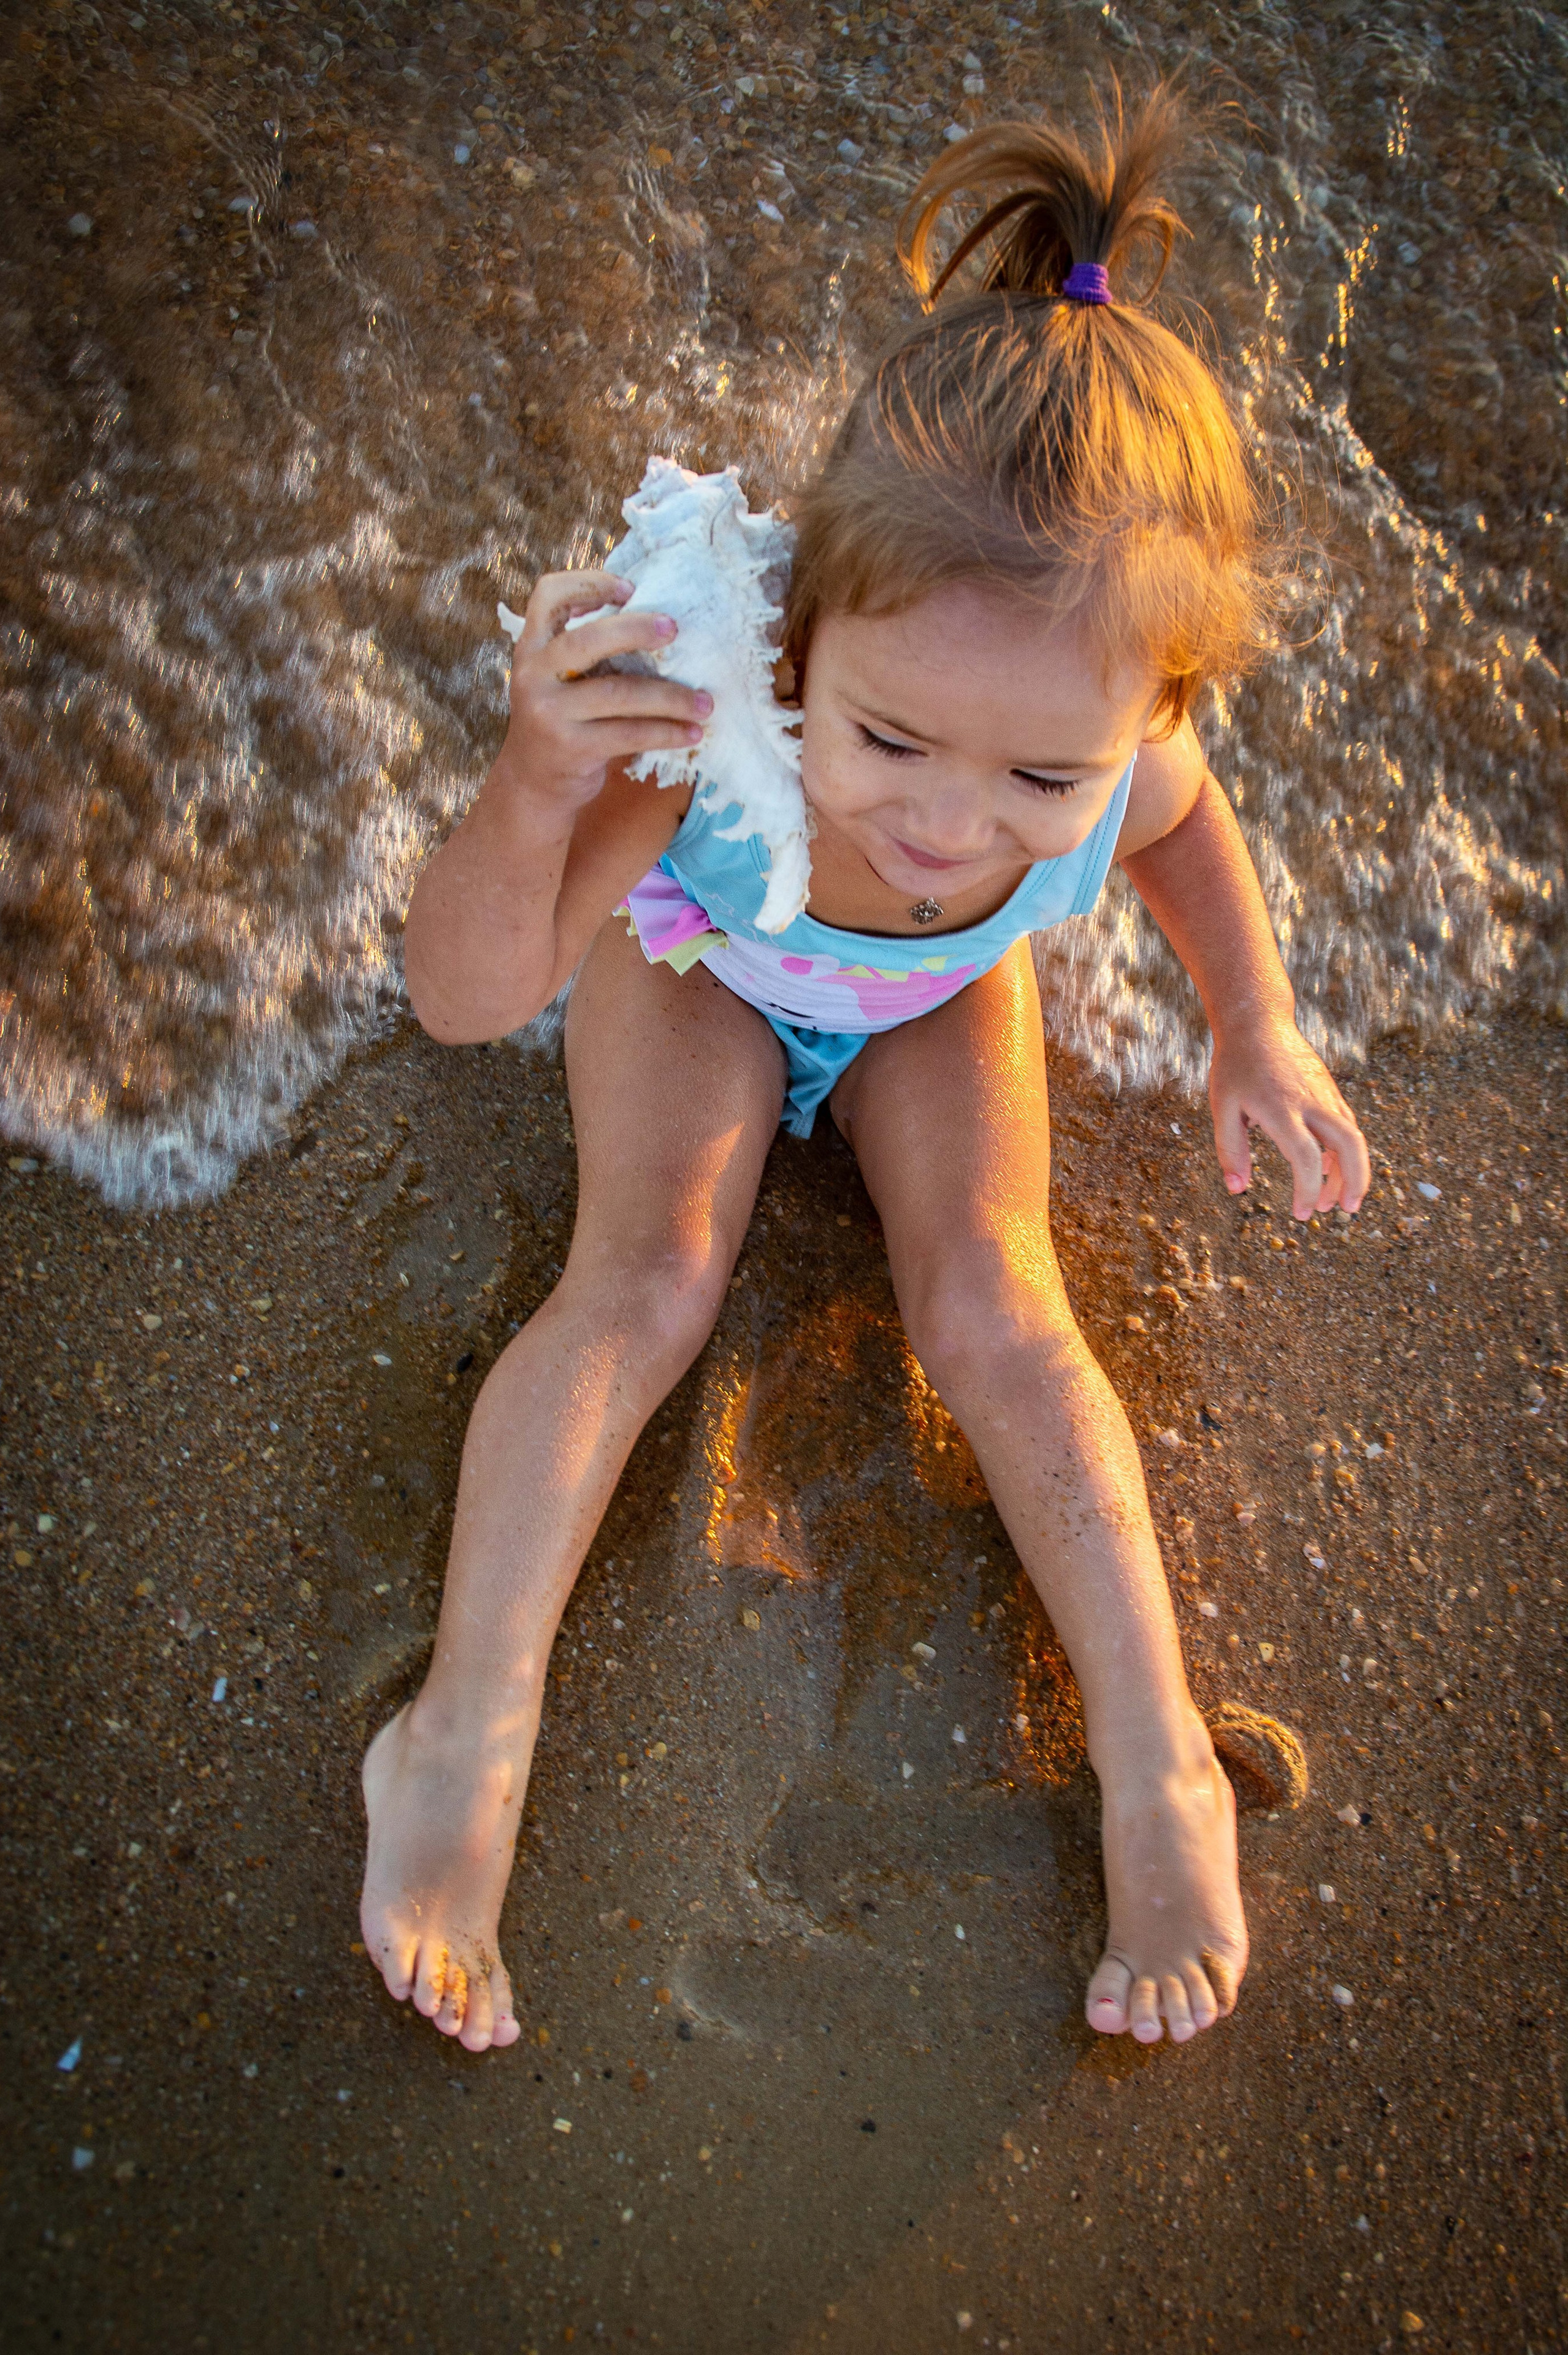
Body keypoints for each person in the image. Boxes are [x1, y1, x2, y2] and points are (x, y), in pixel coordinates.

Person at [359, 91, 1369, 2056]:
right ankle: (459, 1742)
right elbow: (467, 997)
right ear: (804, 640)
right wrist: (541, 776)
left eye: (1035, 782)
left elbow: (1179, 831)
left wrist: (1255, 1018)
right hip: (714, 969)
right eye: (892, 738)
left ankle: (1158, 1762)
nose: (948, 821)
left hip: (929, 1011)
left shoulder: (1119, 758)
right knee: (647, 1280)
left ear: (1141, 712)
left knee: (1001, 1308)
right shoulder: (711, 760)